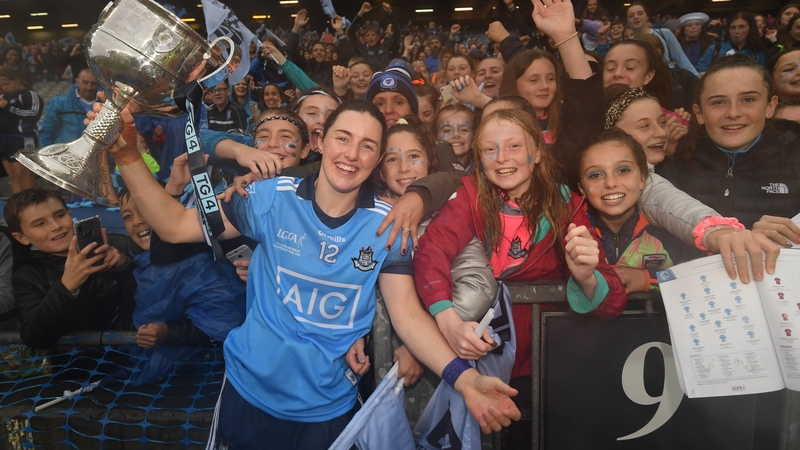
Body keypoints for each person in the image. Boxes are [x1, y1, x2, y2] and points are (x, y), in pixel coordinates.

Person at [100, 99, 521, 448]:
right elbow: (174, 225)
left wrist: (464, 380)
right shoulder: (267, 198)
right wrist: (127, 156)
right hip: (248, 397)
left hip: (329, 410)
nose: (352, 155)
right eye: (343, 138)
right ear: (321, 142)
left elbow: (408, 315)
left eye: (367, 146)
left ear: (376, 159)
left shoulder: (387, 226)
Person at [657, 54, 800, 231]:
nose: (733, 113)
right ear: (699, 113)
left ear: (770, 106)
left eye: (748, 100)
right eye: (718, 102)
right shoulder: (676, 163)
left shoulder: (795, 155)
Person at [5, 188, 135, 349]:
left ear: (69, 213)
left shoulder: (118, 245)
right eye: (40, 223)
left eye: (60, 215)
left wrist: (124, 266)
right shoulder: (27, 275)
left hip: (132, 355)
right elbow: (34, 337)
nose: (56, 226)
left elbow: (147, 298)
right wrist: (66, 287)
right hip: (76, 368)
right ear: (21, 237)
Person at [578, 129, 702, 294]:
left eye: (623, 170)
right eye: (595, 174)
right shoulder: (573, 232)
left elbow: (703, 274)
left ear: (643, 178)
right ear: (582, 189)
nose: (610, 183)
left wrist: (648, 279)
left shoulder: (666, 229)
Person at [625, 3, 700, 77]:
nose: (636, 17)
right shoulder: (627, 44)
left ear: (647, 16)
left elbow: (682, 60)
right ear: (628, 21)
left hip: (669, 78)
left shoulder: (664, 33)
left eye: (640, 13)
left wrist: (698, 81)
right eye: (631, 16)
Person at [0, 67, 42, 193]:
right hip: (4, 138)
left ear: (17, 80)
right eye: (2, 85)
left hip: (22, 138)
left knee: (22, 173)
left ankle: (33, 202)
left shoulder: (29, 95)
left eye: (7, 84)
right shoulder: (4, 96)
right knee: (12, 175)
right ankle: (19, 205)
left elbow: (34, 115)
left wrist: (8, 107)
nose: (4, 87)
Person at [38, 68, 100, 147]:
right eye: (85, 83)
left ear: (98, 84)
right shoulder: (59, 103)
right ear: (77, 82)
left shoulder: (103, 106)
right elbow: (47, 132)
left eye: (93, 83)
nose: (89, 87)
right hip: (65, 154)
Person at [696, 12, 767, 73]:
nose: (736, 31)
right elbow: (699, 71)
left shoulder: (758, 53)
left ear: (750, 29)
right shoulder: (716, 48)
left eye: (741, 27)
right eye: (733, 27)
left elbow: (764, 77)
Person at [348, 2, 402, 71]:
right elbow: (351, 33)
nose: (370, 37)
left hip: (384, 79)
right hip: (368, 80)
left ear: (378, 37)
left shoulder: (385, 47)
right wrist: (361, 13)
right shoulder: (362, 50)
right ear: (364, 39)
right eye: (368, 35)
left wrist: (390, 13)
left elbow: (397, 33)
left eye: (373, 35)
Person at [435, 104, 475, 170]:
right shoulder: (429, 171)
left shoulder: (483, 172)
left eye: (464, 130)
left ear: (474, 138)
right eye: (447, 130)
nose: (456, 135)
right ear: (435, 137)